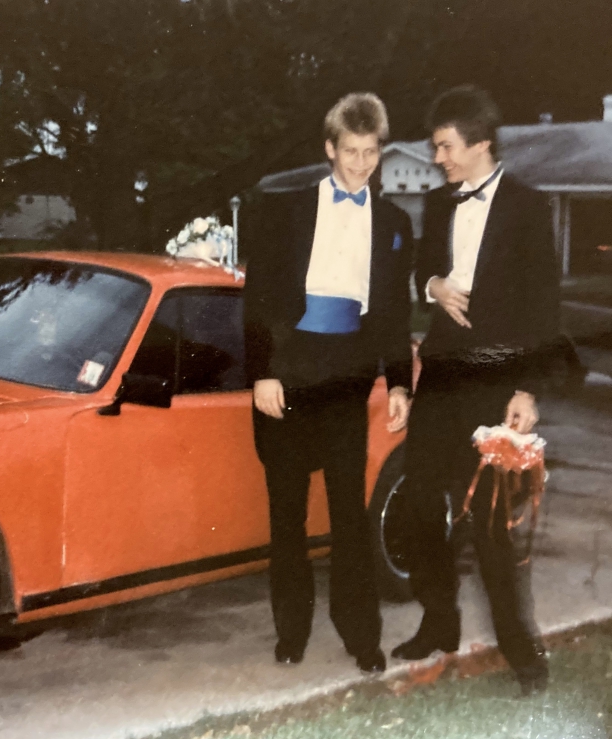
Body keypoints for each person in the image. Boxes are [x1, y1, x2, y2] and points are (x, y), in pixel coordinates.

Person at [391, 85, 561, 695]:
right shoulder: (439, 207)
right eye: (436, 147)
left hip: (494, 380)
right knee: (416, 507)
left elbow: (545, 305)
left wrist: (526, 388)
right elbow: (421, 272)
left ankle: (525, 656)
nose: (438, 157)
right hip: (441, 374)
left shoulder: (528, 206)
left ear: (481, 142)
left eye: (446, 146)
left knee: (491, 527)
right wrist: (434, 285)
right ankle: (440, 624)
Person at [243, 92, 414, 675]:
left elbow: (392, 313)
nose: (361, 165)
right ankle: (291, 632)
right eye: (350, 153)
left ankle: (361, 634)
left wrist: (399, 383)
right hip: (289, 369)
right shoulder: (285, 210)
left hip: (347, 372)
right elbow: (258, 299)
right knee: (287, 516)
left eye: (371, 153)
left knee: (350, 513)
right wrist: (263, 372)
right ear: (329, 149)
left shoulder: (394, 223)